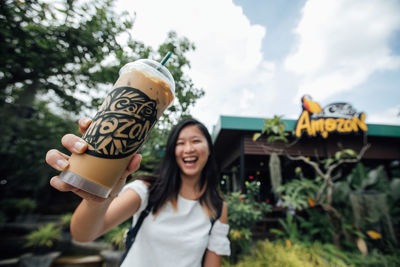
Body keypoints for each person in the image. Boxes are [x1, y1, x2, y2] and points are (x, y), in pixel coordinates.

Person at [46, 117, 231, 267]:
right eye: (180, 143)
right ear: (172, 151)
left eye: (196, 141)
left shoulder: (218, 206)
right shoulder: (147, 190)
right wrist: (96, 199)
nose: (189, 149)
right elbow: (83, 235)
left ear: (209, 149)